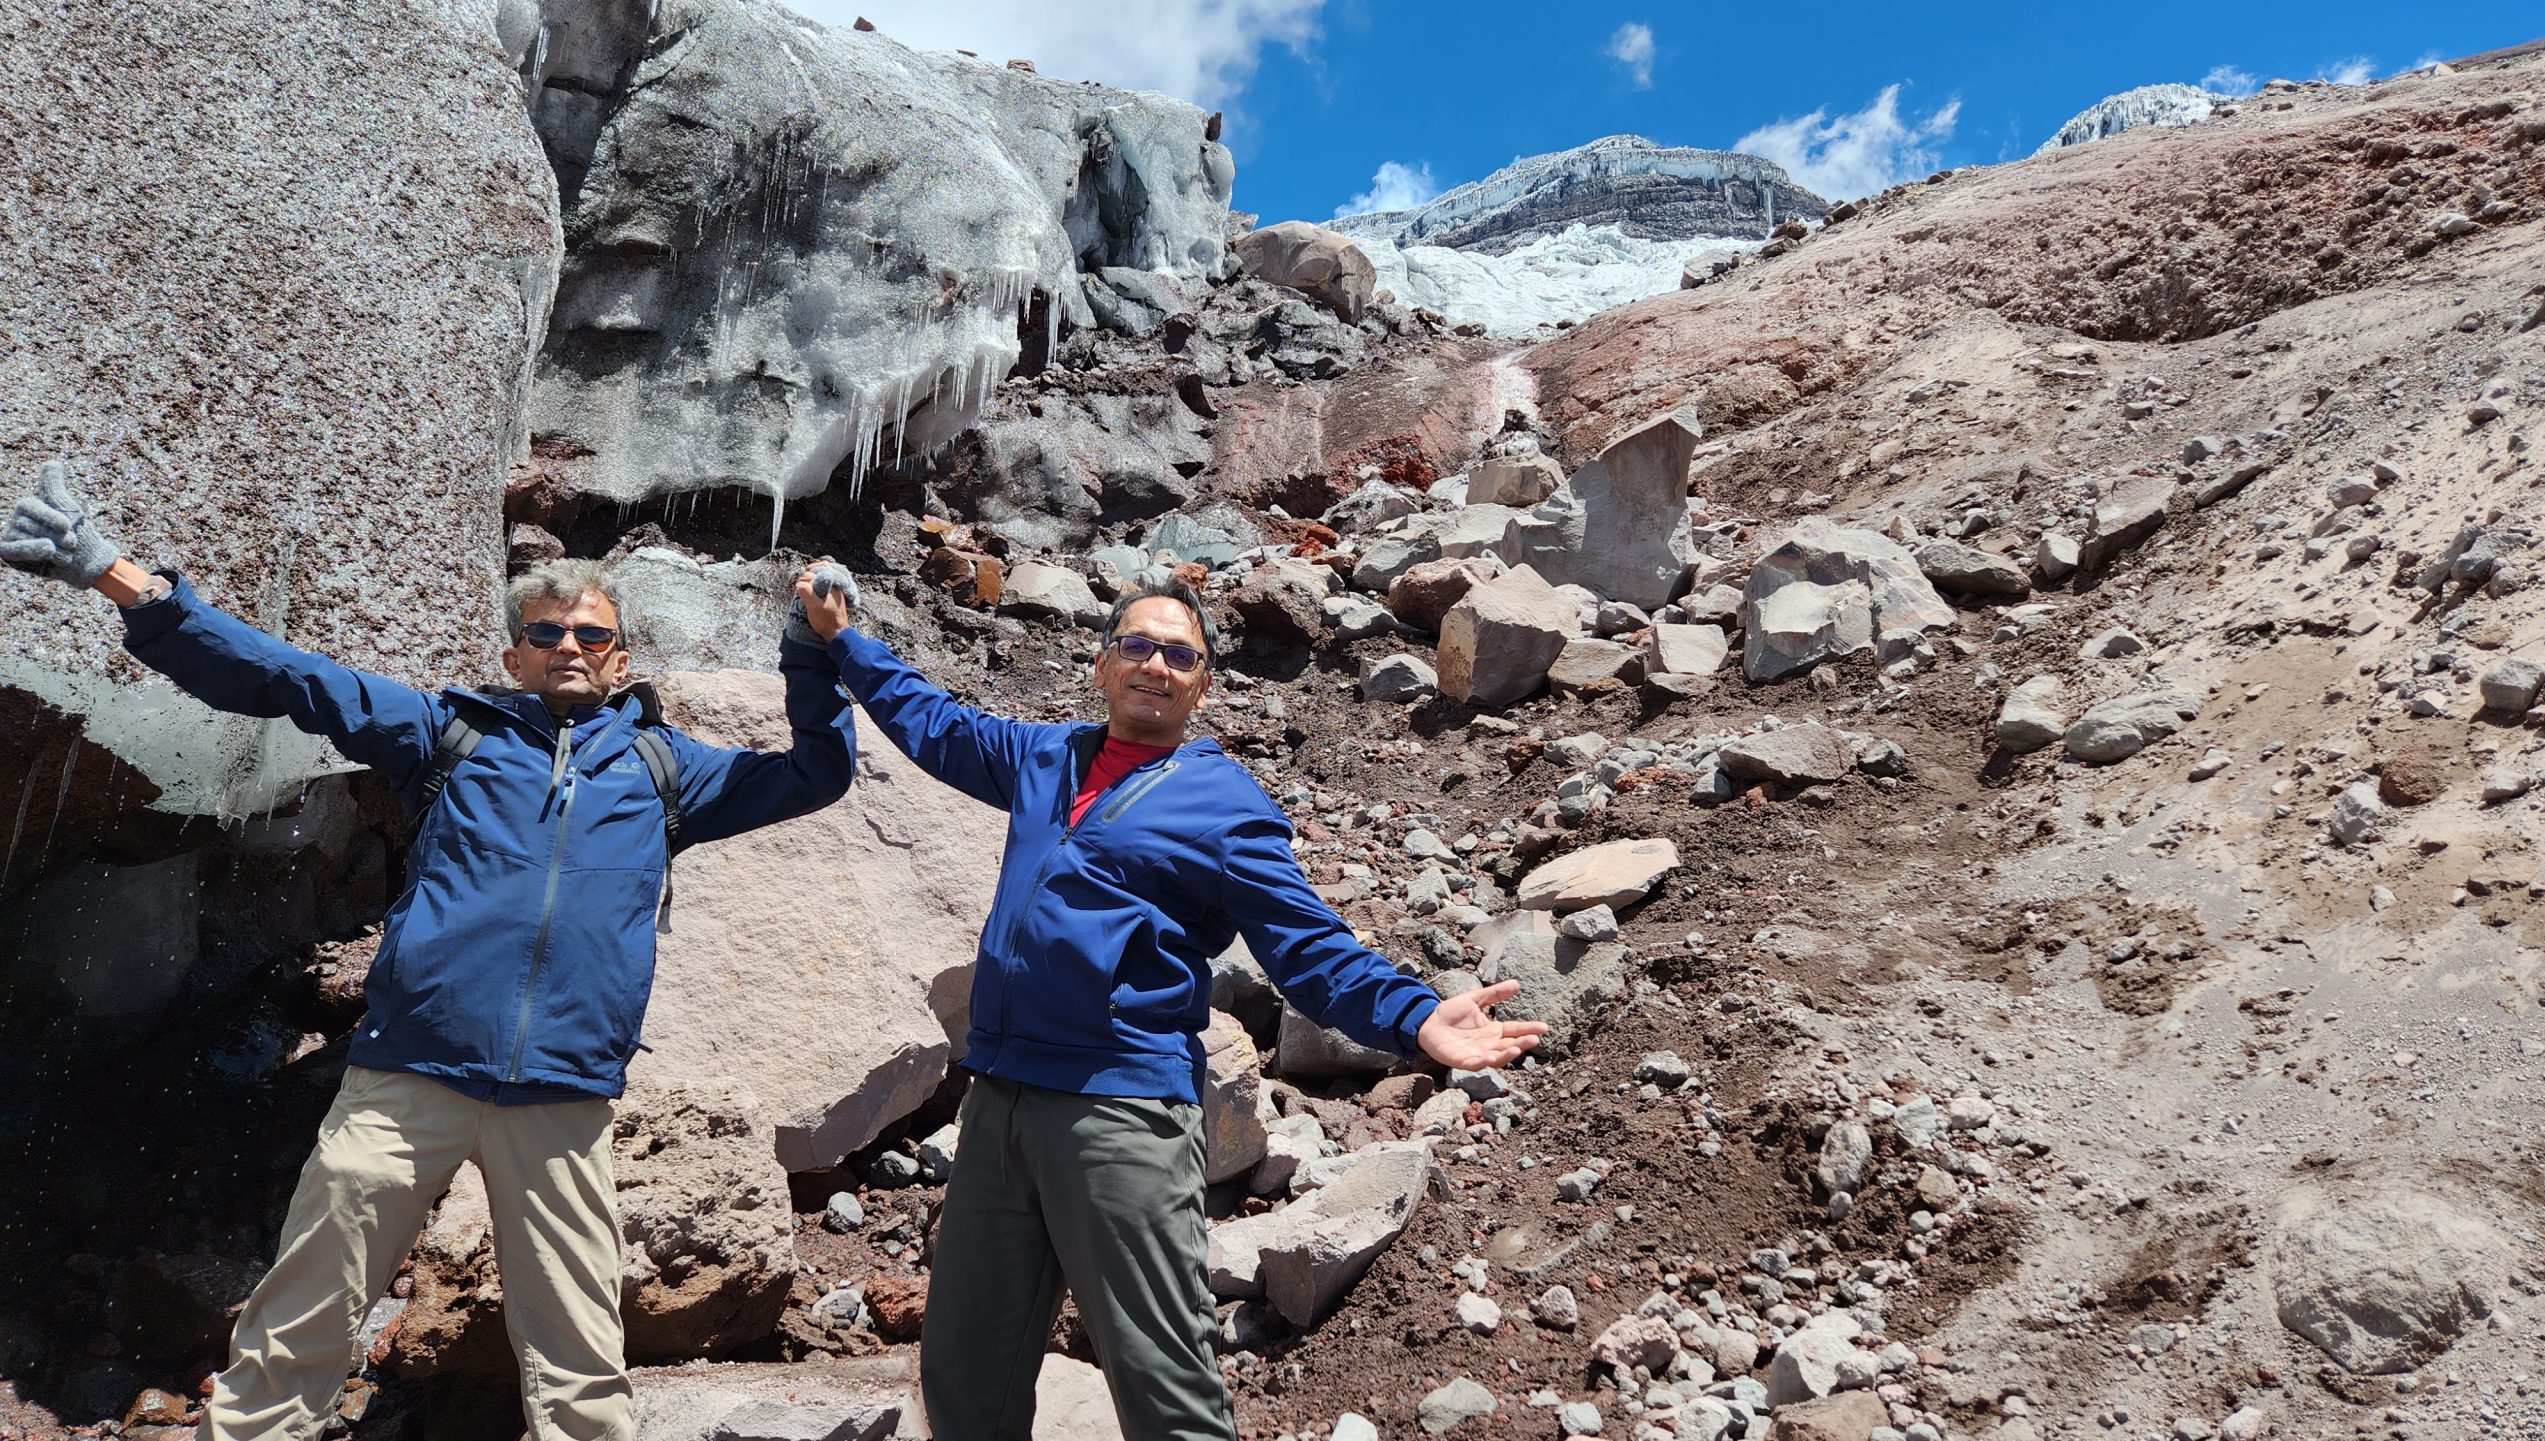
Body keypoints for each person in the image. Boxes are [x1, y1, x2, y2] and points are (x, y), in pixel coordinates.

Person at [1, 461, 858, 1441]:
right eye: (547, 633)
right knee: (301, 1324)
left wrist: (813, 648)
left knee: (580, 1358)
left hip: (562, 1095)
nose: (568, 646)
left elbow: (817, 771)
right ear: (516, 653)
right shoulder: (445, 732)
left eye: (591, 635)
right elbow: (287, 677)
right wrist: (121, 577)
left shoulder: (670, 771)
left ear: (620, 661)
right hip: (407, 1077)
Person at [791, 564, 1546, 1441]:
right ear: (1105, 665)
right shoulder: (1044, 757)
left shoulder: (1224, 804)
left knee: (1162, 1380)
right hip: (999, 1100)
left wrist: (1414, 1014)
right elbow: (934, 724)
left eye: (1178, 656)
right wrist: (844, 639)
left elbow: (1306, 944)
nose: (1155, 665)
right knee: (965, 1372)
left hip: (1121, 1109)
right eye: (1138, 646)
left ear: (1202, 684)